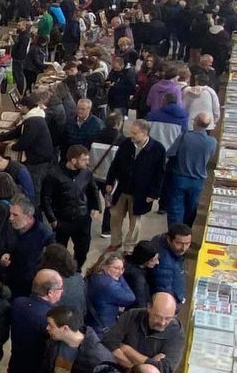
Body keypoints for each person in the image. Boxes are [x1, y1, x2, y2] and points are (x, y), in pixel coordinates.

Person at [102, 292, 185, 373]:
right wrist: (147, 364)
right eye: (158, 316)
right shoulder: (132, 316)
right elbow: (109, 342)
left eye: (168, 318)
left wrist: (128, 350)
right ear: (149, 308)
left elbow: (163, 369)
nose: (162, 323)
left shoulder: (176, 335)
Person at [105, 120, 165, 250]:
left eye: (135, 133)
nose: (131, 135)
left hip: (141, 193)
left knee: (135, 221)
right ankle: (115, 242)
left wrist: (154, 193)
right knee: (115, 216)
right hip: (122, 189)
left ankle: (129, 247)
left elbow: (159, 174)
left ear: (145, 133)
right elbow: (115, 164)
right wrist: (110, 181)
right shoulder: (127, 144)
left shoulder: (158, 149)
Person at [41, 145, 99, 269]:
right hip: (62, 219)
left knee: (83, 249)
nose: (87, 163)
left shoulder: (86, 172)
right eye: (84, 160)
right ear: (73, 160)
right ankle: (60, 272)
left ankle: (76, 271)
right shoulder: (54, 174)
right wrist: (52, 219)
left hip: (82, 218)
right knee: (59, 252)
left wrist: (95, 206)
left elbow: (92, 188)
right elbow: (45, 198)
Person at [0, 195, 55, 299]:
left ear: (29, 216)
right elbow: (5, 245)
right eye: (10, 214)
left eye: (15, 215)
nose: (10, 218)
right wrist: (5, 254)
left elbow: (52, 261)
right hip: (10, 279)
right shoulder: (11, 227)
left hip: (29, 285)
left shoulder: (44, 235)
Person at [0, 94, 54, 192]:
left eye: (21, 106)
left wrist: (13, 147)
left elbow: (25, 142)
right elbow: (17, 131)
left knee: (34, 185)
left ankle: (34, 205)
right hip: (38, 157)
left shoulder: (33, 122)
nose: (19, 108)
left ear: (26, 107)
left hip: (38, 160)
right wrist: (0, 138)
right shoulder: (33, 117)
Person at [84, 251, 135, 335]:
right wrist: (120, 278)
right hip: (102, 329)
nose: (120, 272)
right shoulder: (109, 285)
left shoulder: (93, 276)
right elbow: (130, 298)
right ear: (104, 266)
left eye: (122, 269)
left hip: (90, 322)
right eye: (116, 268)